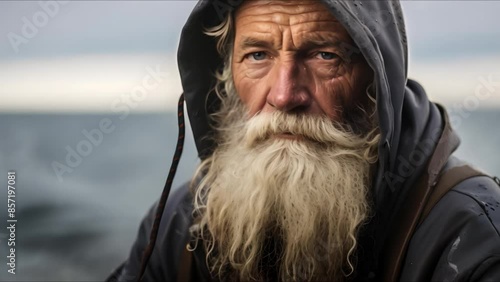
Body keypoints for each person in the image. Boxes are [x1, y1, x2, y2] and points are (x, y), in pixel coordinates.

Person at [108, 0, 500, 281]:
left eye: (325, 56)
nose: (284, 95)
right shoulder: (180, 224)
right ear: (225, 75)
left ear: (380, 80)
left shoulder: (471, 237)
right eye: (258, 55)